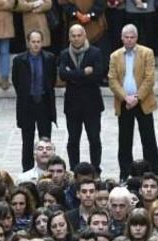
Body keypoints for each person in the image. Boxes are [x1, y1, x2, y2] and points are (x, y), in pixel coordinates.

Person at [108, 24, 158, 181]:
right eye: (126, 37)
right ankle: (125, 174)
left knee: (148, 138)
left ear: (136, 38)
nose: (129, 40)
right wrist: (125, 97)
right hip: (124, 102)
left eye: (132, 37)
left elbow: (149, 78)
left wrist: (137, 98)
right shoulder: (115, 56)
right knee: (124, 140)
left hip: (142, 102)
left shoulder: (147, 53)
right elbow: (112, 79)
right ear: (122, 38)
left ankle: (152, 173)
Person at [59, 24, 105, 172]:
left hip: (92, 104)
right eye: (73, 36)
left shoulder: (95, 52)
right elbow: (62, 75)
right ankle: (74, 169)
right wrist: (84, 73)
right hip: (72, 105)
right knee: (73, 140)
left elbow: (98, 74)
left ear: (85, 36)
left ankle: (95, 168)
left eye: (79, 35)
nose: (76, 38)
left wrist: (73, 75)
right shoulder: (65, 54)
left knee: (94, 139)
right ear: (69, 37)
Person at [12, 30, 58, 173]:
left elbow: (52, 79)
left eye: (38, 41)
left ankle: (47, 169)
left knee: (45, 140)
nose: (36, 44)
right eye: (33, 42)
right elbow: (16, 81)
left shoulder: (49, 58)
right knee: (27, 140)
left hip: (44, 103)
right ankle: (27, 170)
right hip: (27, 104)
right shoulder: (20, 60)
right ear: (29, 42)